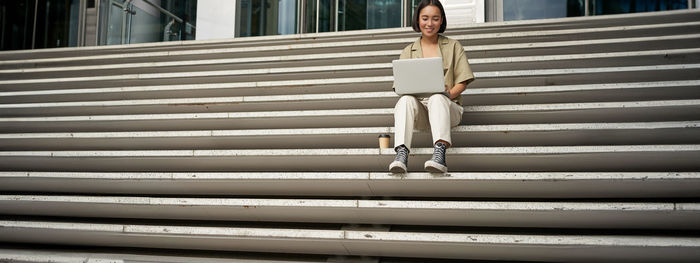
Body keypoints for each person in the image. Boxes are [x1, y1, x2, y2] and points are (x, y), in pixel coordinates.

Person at [389, 0, 475, 174]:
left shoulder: (453, 46)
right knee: (404, 100)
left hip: (448, 108)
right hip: (421, 111)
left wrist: (448, 94)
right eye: (425, 18)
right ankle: (402, 153)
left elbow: (463, 81)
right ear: (418, 19)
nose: (430, 23)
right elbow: (400, 86)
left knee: (437, 97)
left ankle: (440, 153)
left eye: (435, 18)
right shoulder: (408, 51)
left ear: (442, 20)